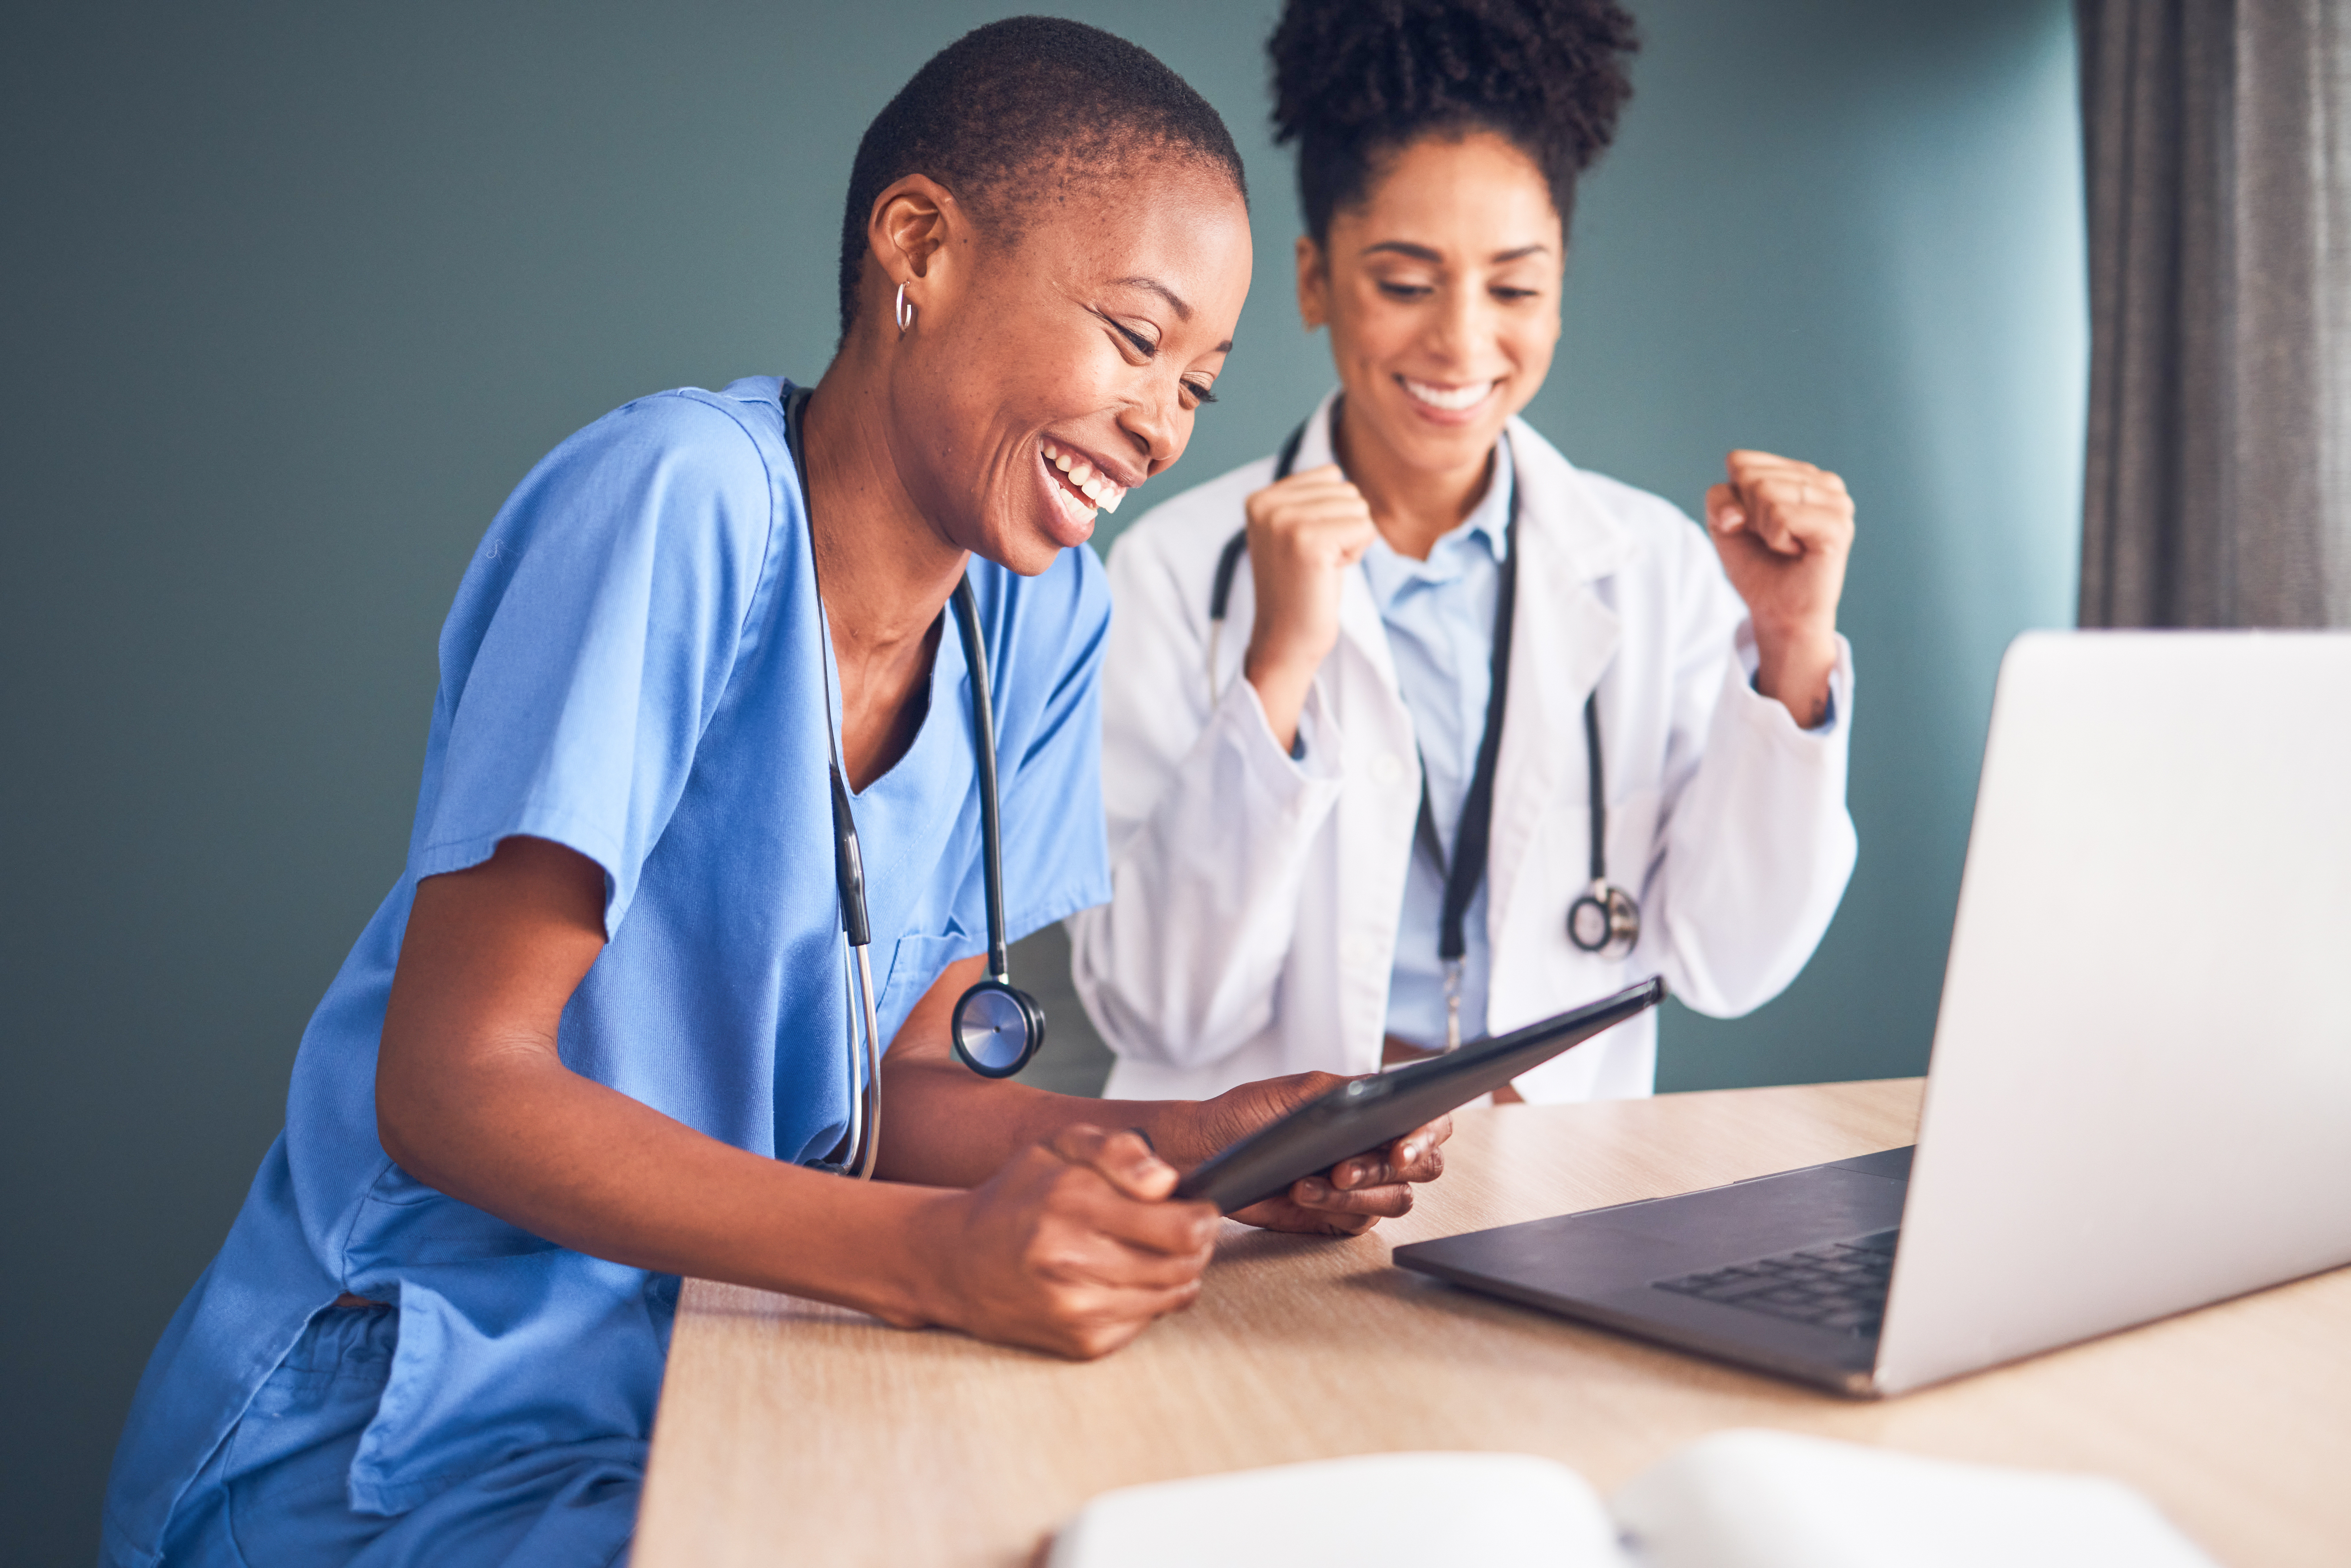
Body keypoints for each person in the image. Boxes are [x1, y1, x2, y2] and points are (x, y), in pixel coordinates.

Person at [102, 20, 1449, 1566]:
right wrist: (941, 1259)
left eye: (1200, 386)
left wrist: (1193, 1144)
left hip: (711, 1375)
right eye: (1135, 341)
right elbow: (453, 1080)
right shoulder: (680, 500)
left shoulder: (1042, 613)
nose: (1161, 422)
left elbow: (894, 1100)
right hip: (395, 1438)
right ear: (920, 246)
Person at [1070, 0, 1859, 1105]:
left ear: (1562, 287)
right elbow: (1154, 1006)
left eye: (1517, 286)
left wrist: (1789, 646)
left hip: (1559, 1198)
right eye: (1405, 283)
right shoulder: (1172, 573)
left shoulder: (1658, 568)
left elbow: (1730, 962)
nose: (1461, 339)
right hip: (1267, 1208)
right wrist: (1278, 671)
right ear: (1313, 281)